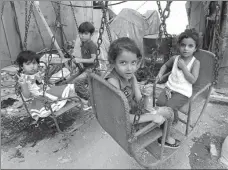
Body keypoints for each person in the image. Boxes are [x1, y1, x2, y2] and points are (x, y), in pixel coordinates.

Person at [105, 37, 180, 148]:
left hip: (136, 113)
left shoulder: (131, 77)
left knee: (166, 110)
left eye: (133, 62)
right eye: (123, 62)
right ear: (113, 62)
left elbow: (140, 104)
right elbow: (123, 118)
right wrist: (152, 117)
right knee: (168, 113)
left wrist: (146, 96)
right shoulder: (113, 83)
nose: (129, 68)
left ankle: (163, 128)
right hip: (130, 128)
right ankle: (166, 139)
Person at [16, 50, 80, 121]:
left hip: (48, 90)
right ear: (22, 66)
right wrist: (24, 85)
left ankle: (82, 101)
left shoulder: (37, 72)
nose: (32, 66)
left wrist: (44, 78)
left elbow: (42, 83)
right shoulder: (23, 79)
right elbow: (27, 96)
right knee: (65, 92)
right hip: (39, 98)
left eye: (34, 63)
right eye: (28, 64)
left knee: (68, 89)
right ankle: (82, 101)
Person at [156, 28, 201, 124]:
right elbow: (165, 65)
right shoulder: (174, 58)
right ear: (179, 46)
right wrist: (160, 74)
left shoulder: (195, 63)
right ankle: (172, 119)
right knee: (159, 103)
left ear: (195, 48)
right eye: (183, 45)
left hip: (182, 92)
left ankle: (171, 122)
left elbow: (193, 80)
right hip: (170, 88)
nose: (186, 48)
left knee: (169, 106)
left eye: (190, 46)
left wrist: (184, 68)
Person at [71, 21, 98, 101]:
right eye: (80, 33)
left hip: (92, 69)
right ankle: (81, 96)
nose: (82, 36)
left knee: (77, 82)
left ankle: (91, 99)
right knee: (71, 80)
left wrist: (79, 60)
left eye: (85, 34)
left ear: (91, 35)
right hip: (86, 68)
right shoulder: (83, 43)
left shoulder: (91, 45)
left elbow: (93, 60)